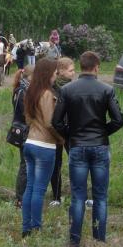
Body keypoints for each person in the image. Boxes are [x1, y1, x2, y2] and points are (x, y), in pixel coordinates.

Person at [52, 51, 123, 247]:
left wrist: (71, 134)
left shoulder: (67, 90)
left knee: (78, 196)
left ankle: (74, 240)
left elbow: (56, 121)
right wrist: (102, 133)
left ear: (81, 65)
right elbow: (119, 120)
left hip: (77, 146)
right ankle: (99, 239)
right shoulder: (106, 89)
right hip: (99, 146)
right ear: (97, 67)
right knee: (100, 196)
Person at [21, 58, 64, 237]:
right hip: (44, 146)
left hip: (30, 143)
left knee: (30, 188)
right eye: (55, 71)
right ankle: (36, 227)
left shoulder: (31, 91)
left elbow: (29, 119)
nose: (57, 74)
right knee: (39, 190)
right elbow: (49, 122)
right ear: (48, 73)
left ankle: (26, 228)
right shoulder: (47, 94)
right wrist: (61, 139)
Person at [49, 57, 76, 207]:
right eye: (71, 70)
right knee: (56, 164)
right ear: (60, 72)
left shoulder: (73, 87)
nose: (74, 73)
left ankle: (78, 193)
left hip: (71, 130)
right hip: (57, 131)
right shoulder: (53, 89)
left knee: (76, 161)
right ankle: (56, 196)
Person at [12, 65, 34, 207]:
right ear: (29, 77)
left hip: (26, 131)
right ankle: (20, 198)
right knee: (25, 164)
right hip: (25, 132)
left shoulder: (24, 90)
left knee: (26, 164)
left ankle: (25, 195)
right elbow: (25, 113)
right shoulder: (22, 91)